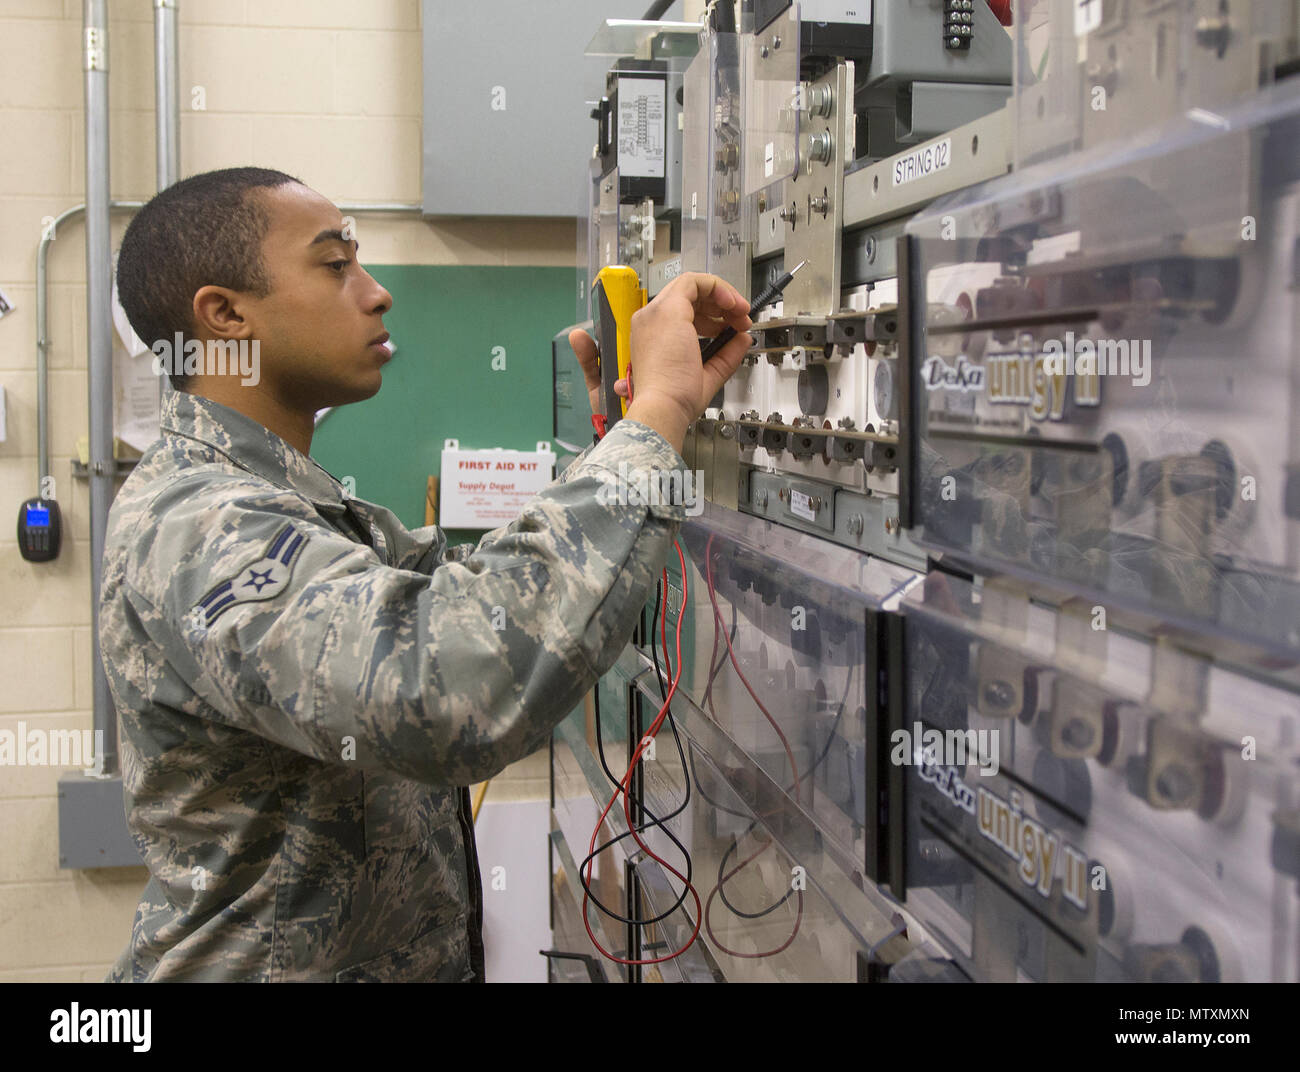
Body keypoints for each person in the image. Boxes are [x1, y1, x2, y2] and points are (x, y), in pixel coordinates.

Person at [101, 166, 752, 981]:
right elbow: (451, 684)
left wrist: (620, 440)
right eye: (336, 266)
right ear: (225, 314)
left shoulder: (289, 499)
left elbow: (476, 600)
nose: (377, 294)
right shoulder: (198, 521)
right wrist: (658, 415)